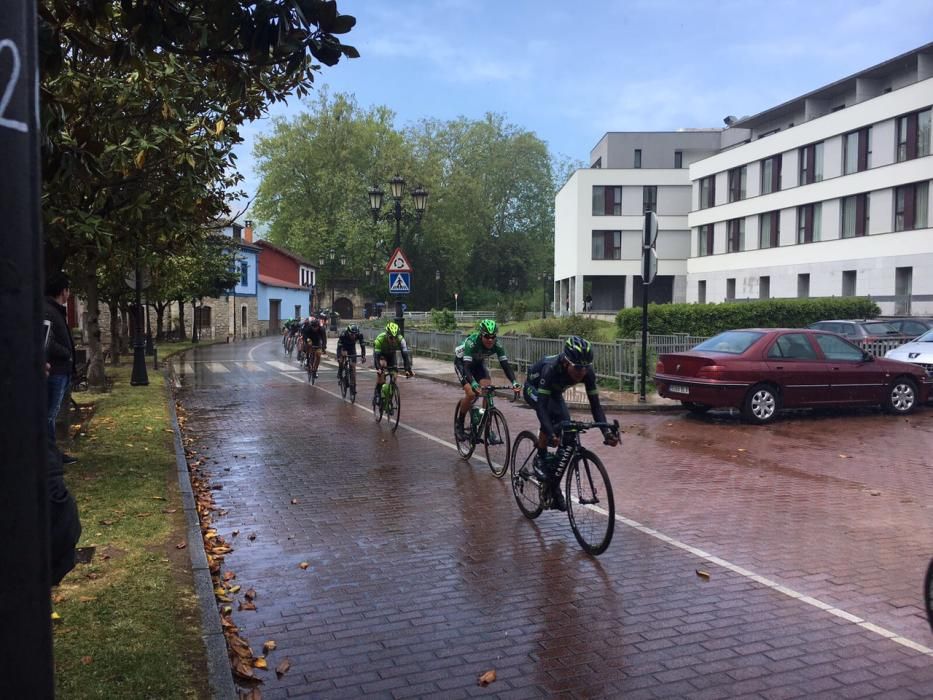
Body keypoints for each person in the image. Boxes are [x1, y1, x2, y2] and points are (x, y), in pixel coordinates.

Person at [523, 336, 619, 510]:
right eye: (578, 368)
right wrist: (551, 433)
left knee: (567, 426)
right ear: (566, 363)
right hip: (535, 388)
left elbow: (595, 406)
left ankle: (553, 485)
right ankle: (540, 457)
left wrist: (606, 433)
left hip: (555, 391)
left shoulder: (587, 372)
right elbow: (542, 408)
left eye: (585, 367)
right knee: (550, 416)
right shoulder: (550, 369)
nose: (582, 372)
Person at [453, 319, 521, 441]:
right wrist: (473, 383)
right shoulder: (471, 343)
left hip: (478, 365)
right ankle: (460, 425)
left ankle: (486, 427)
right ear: (481, 334)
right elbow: (467, 368)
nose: (490, 340)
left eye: (493, 336)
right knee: (471, 393)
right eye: (487, 336)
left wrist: (514, 381)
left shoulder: (497, 345)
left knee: (487, 391)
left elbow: (505, 365)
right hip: (463, 364)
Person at [45, 271, 76, 464]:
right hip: (55, 371)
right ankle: (49, 457)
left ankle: (53, 453)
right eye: (68, 289)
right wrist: (65, 352)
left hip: (61, 370)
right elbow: (46, 339)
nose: (69, 294)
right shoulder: (48, 310)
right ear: (63, 291)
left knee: (52, 413)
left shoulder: (55, 309)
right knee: (49, 415)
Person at [371, 321, 413, 406]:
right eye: (391, 337)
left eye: (395, 337)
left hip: (391, 355)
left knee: (394, 374)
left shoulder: (401, 340)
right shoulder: (380, 339)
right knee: (382, 367)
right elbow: (376, 358)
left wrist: (408, 369)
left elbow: (405, 356)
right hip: (381, 355)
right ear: (386, 335)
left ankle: (389, 397)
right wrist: (379, 369)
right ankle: (378, 393)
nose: (393, 340)